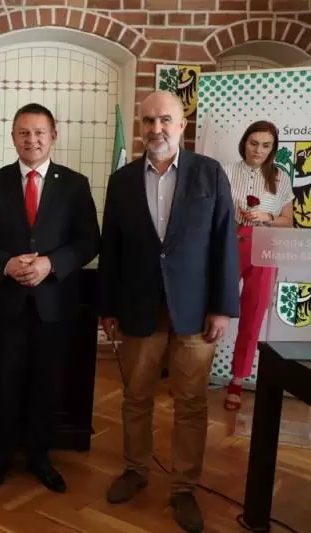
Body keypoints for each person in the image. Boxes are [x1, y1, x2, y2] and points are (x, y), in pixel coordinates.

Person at [98, 90, 239, 533]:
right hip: (138, 307)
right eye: (148, 121)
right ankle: (136, 470)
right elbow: (111, 249)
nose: (155, 128)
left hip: (195, 311)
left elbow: (225, 243)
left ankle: (183, 487)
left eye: (164, 120)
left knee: (191, 403)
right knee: (136, 397)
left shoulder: (209, 173)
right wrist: (107, 306)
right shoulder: (122, 180)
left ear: (181, 125)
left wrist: (222, 308)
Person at [0, 103, 100, 491]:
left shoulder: (75, 184)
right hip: (5, 304)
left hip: (53, 305)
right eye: (24, 132)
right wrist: (5, 263)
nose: (32, 139)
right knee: (3, 383)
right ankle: (1, 456)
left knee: (46, 384)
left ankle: (40, 456)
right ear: (13, 138)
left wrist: (51, 264)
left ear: (53, 136)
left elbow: (89, 241)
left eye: (39, 132)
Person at [223, 121, 295, 411]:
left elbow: (288, 221)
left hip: (265, 246)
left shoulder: (280, 178)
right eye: (254, 143)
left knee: (253, 315)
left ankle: (237, 381)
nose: (259, 150)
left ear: (273, 148)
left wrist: (266, 216)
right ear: (245, 142)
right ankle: (196, 373)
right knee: (214, 308)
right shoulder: (227, 172)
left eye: (266, 145)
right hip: (231, 243)